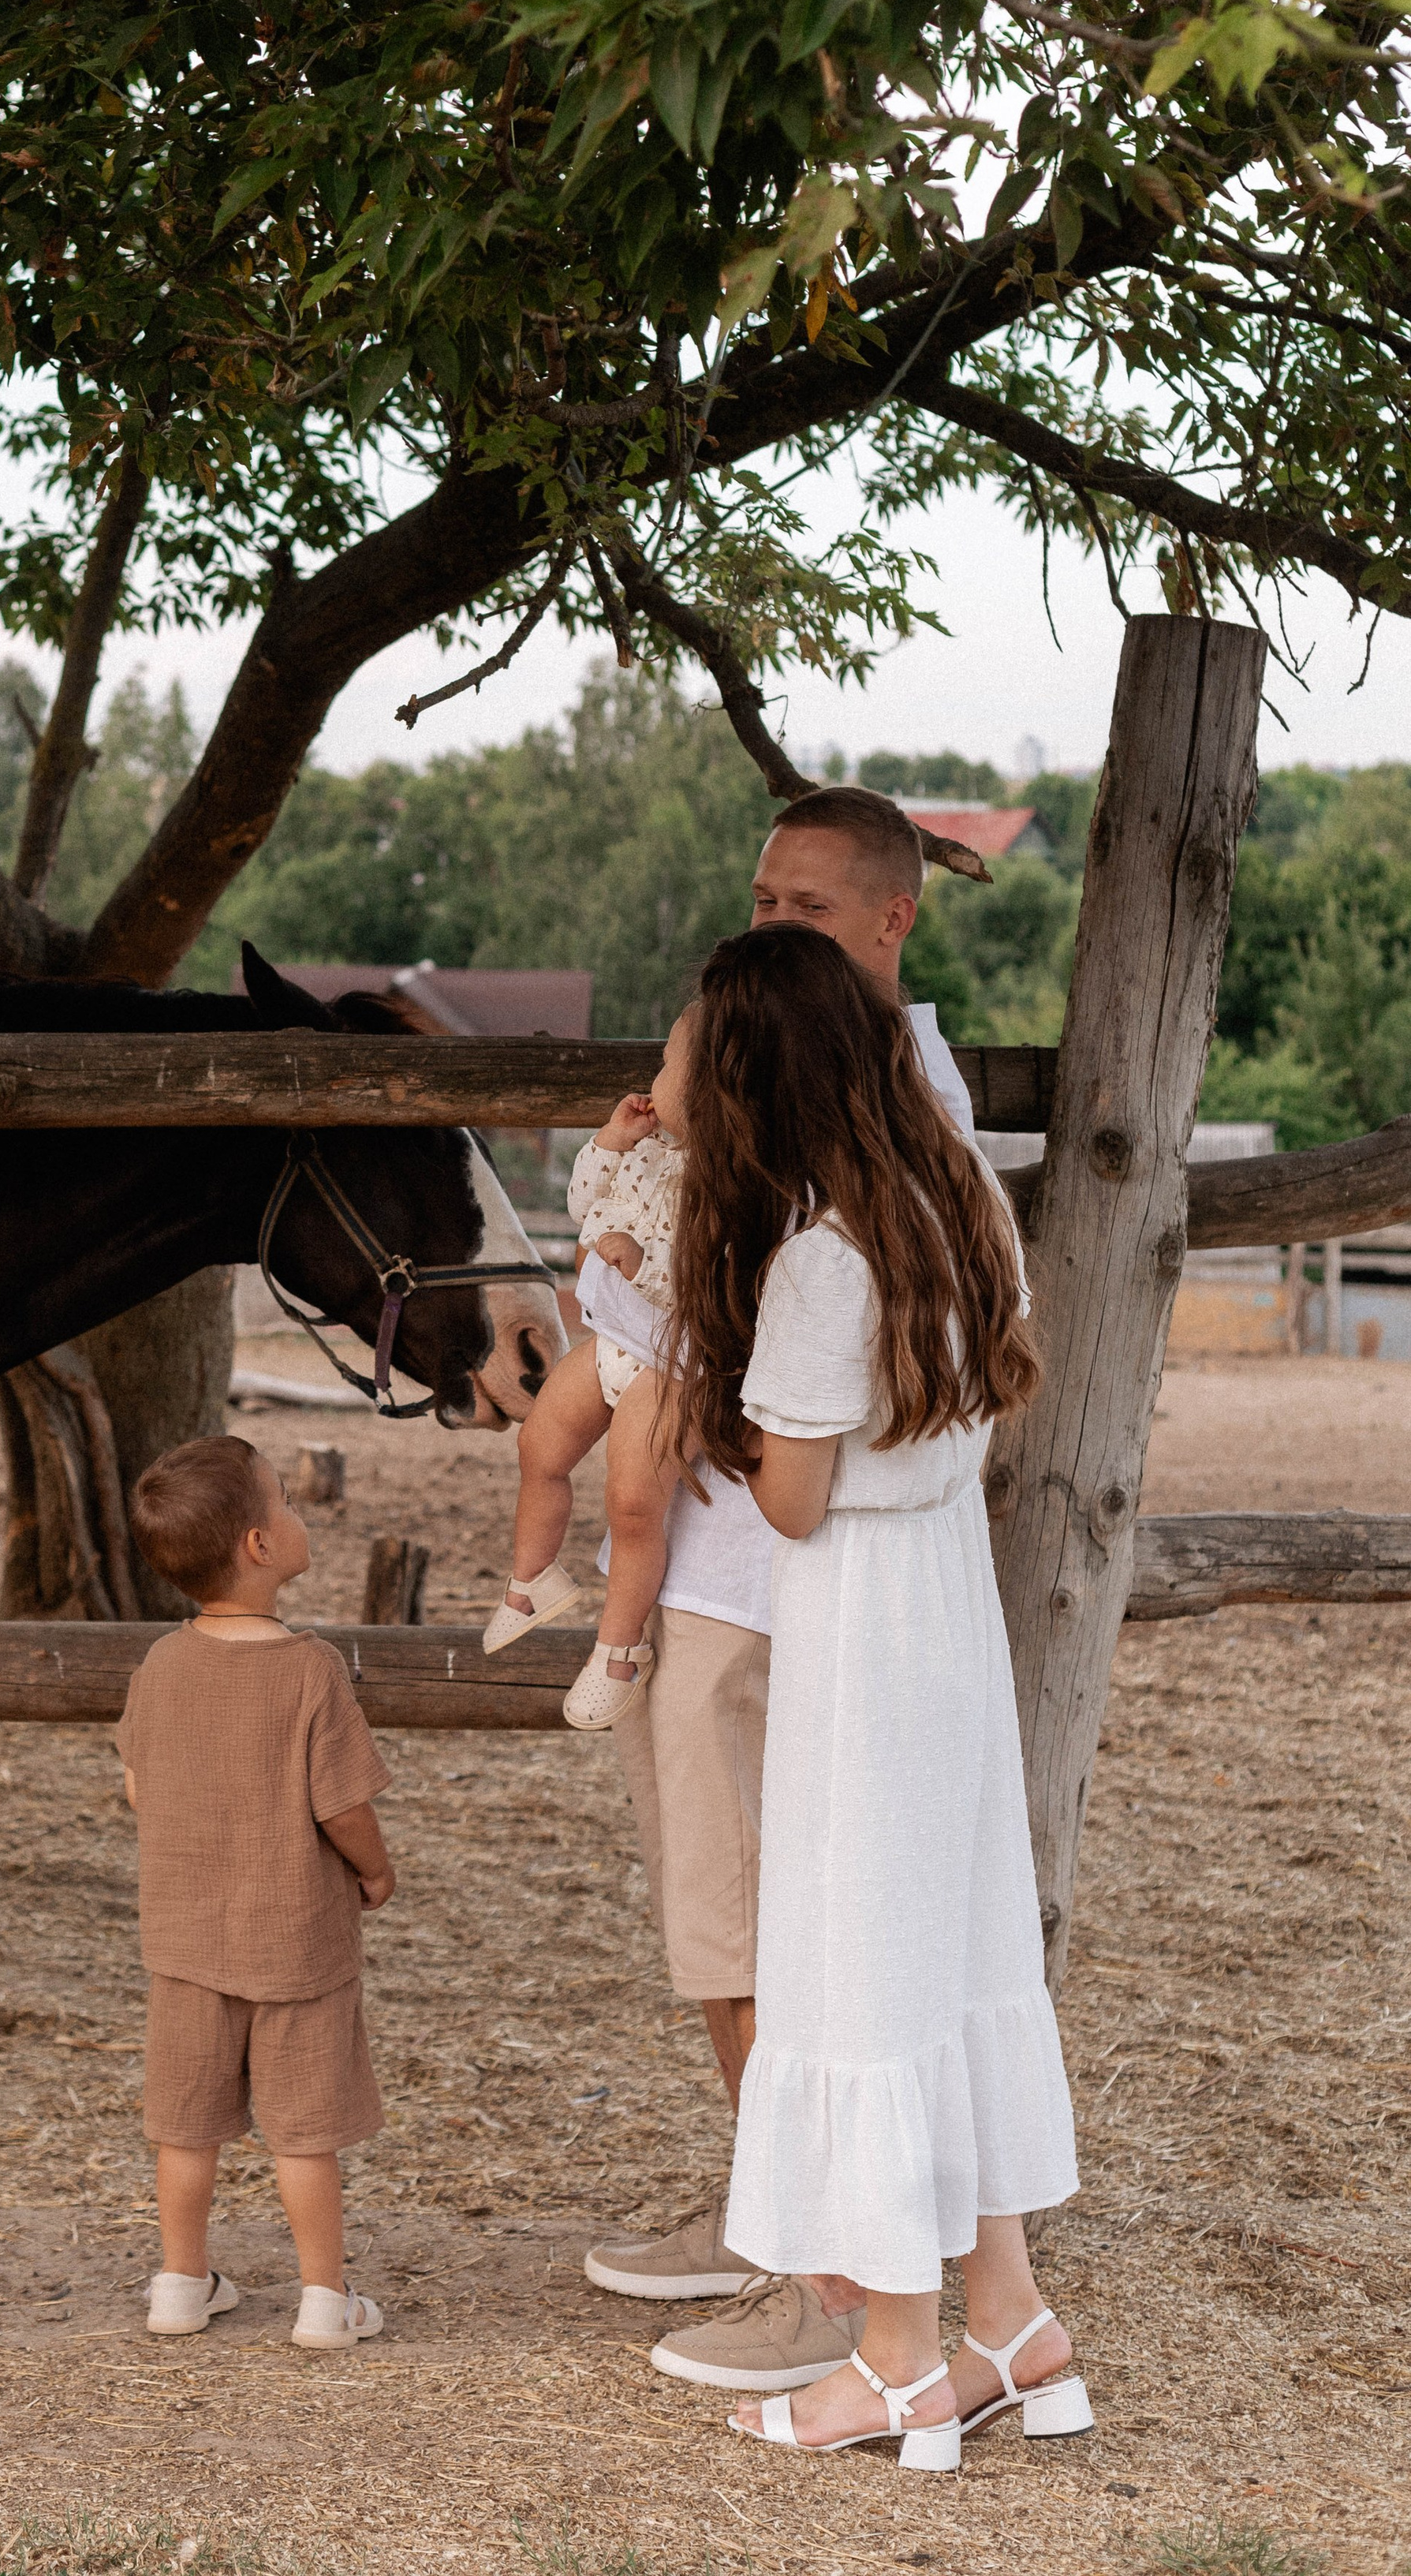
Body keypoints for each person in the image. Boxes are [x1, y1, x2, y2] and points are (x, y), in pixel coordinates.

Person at [580, 787, 980, 2398]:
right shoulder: (774, 1084)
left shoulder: (878, 1112)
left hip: (769, 1580)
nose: (772, 928)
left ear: (891, 921)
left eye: (806, 908)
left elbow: (758, 1342)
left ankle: (825, 2269)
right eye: (762, 899)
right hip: (719, 1561)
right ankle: (774, 2203)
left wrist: (631, 1293)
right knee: (717, 1917)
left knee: (755, 1928)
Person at [677, 924, 1085, 2468]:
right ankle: (1012, 2319)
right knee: (951, 1955)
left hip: (857, 1630)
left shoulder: (817, 1265)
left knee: (855, 1971)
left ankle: (901, 2361)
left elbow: (790, 1503)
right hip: (947, 1612)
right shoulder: (960, 1199)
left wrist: (717, 1415)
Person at [117, 1434, 395, 2352]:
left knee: (184, 2127)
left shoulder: (161, 1666)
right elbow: (342, 1805)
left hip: (186, 1942)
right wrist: (375, 1869)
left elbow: (139, 1786)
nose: (297, 1513)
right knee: (304, 2133)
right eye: (285, 1501)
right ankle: (322, 2301)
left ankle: (179, 2284)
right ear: (259, 1546)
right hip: (296, 1945)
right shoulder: (309, 1669)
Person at [483, 1019, 690, 1729]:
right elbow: (582, 1206)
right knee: (539, 1446)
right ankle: (532, 1579)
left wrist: (644, 1263)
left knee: (633, 1504)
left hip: (676, 1362)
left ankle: (620, 1650)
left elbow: (728, 1276)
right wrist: (610, 1142)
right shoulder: (649, 1149)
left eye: (671, 1062)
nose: (656, 1075)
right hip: (614, 1339)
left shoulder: (740, 1177)